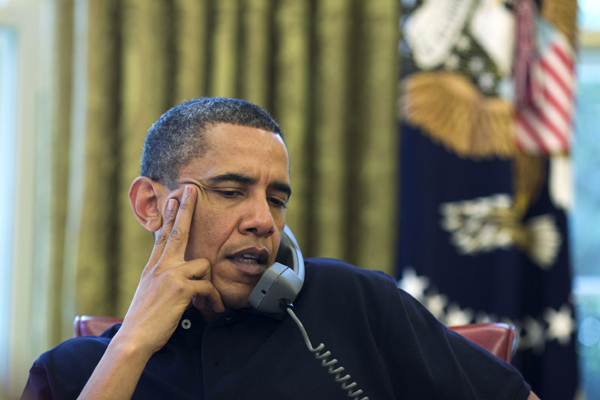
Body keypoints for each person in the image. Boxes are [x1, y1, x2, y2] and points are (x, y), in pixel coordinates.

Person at [22, 97, 539, 400]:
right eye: (230, 192)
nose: (263, 221)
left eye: (276, 198)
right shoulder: (72, 370)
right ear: (150, 206)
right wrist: (131, 346)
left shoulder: (352, 301)